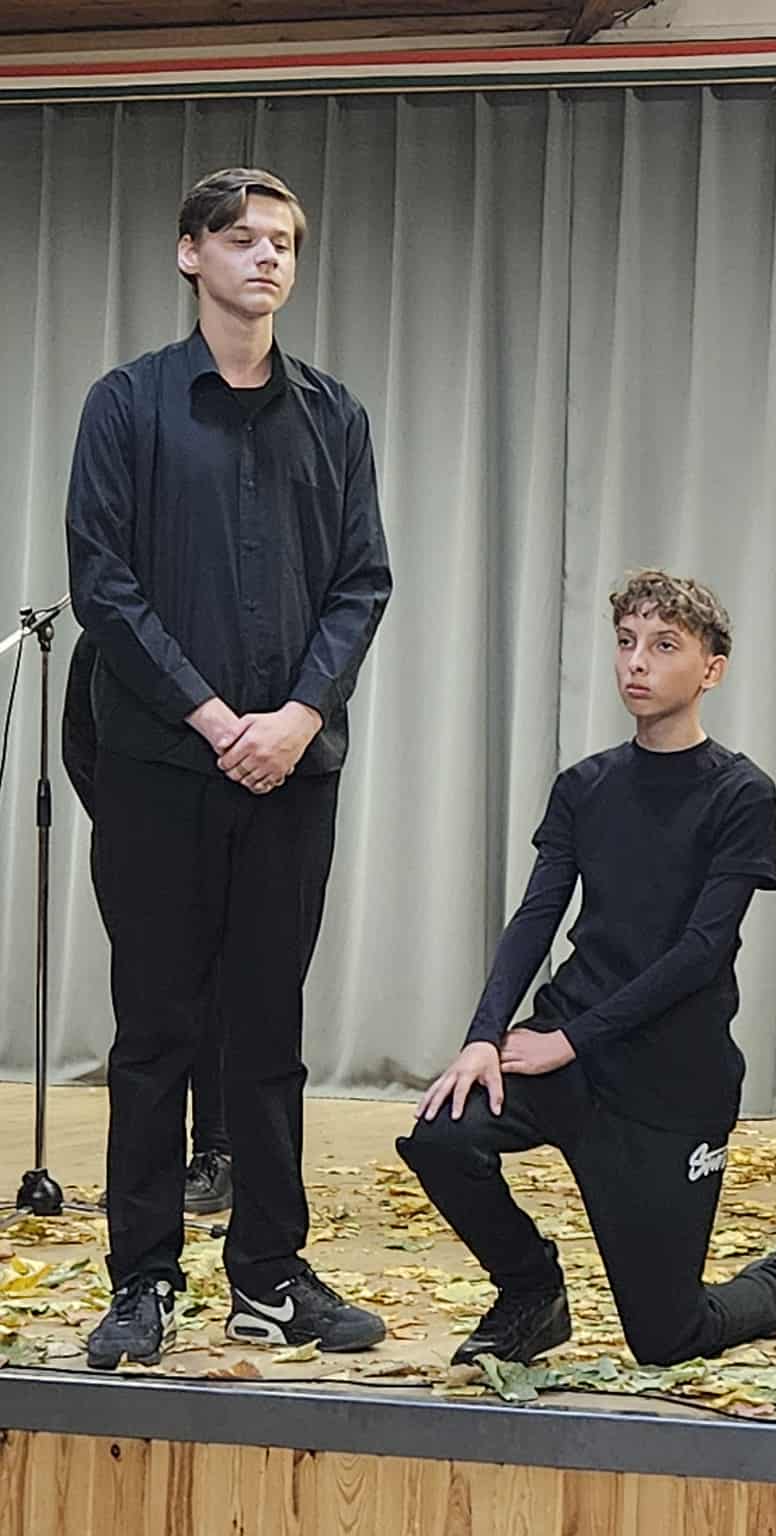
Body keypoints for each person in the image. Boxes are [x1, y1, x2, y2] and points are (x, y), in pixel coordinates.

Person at [68, 168, 393, 1370]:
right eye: (244, 238)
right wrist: (216, 720)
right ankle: (143, 1280)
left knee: (266, 1034)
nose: (268, 258)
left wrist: (297, 717)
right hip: (160, 766)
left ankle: (268, 1275)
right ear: (189, 254)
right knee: (157, 1033)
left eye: (284, 243)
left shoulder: (334, 417)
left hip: (293, 771)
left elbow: (361, 582)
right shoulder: (127, 406)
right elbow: (103, 583)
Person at [398, 571, 776, 1367]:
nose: (637, 662)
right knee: (440, 1136)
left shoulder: (741, 793)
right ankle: (531, 1291)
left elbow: (701, 952)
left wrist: (568, 1041)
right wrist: (484, 1036)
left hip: (671, 1083)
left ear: (712, 668)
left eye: (664, 646)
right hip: (568, 1058)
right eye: (626, 642)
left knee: (668, 1337)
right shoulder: (584, 787)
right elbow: (536, 917)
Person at [62, 633, 233, 1216]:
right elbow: (80, 745)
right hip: (135, 839)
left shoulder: (226, 632)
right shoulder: (108, 636)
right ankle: (149, 1176)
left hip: (231, 832)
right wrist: (127, 821)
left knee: (223, 998)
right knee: (150, 1011)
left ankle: (219, 1152)